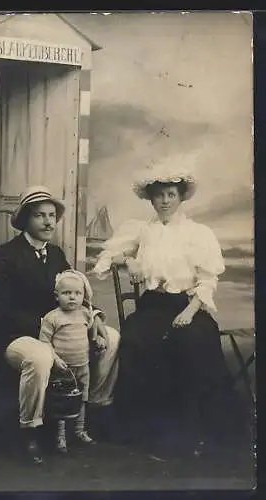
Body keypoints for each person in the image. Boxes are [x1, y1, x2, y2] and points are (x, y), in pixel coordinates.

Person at [92, 159, 249, 456]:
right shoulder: (141, 230)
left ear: (180, 197)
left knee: (192, 341)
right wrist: (130, 261)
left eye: (170, 195)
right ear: (150, 198)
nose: (164, 201)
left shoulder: (197, 233)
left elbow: (207, 279)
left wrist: (190, 312)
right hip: (153, 305)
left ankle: (197, 431)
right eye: (158, 195)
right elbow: (109, 254)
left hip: (187, 304)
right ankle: (149, 432)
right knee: (139, 341)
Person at [0, 186, 119, 465]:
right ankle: (29, 431)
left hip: (59, 331)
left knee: (112, 338)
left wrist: (95, 318)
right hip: (16, 336)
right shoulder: (4, 255)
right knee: (40, 356)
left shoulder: (56, 254)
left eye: (52, 216)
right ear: (24, 220)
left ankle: (84, 411)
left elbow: (75, 292)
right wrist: (51, 328)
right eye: (40, 215)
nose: (48, 222)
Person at [39, 269, 107, 453]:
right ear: (57, 296)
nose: (72, 298)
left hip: (82, 365)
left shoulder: (85, 313)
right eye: (66, 293)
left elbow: (91, 332)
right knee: (63, 400)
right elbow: (44, 342)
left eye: (77, 294)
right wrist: (56, 359)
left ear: (83, 296)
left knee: (82, 398)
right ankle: (60, 436)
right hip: (63, 367)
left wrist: (98, 339)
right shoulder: (52, 317)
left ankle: (79, 430)